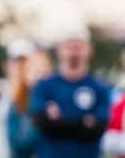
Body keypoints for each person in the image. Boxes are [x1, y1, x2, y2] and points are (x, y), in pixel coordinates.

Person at [30, 28, 109, 158]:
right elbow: (40, 121)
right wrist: (83, 122)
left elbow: (98, 128)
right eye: (69, 46)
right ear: (59, 50)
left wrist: (58, 121)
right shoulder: (43, 85)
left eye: (79, 46)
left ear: (89, 49)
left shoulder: (100, 87)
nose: (74, 51)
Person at [8, 47, 52, 158]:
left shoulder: (55, 101)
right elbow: (18, 142)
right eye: (36, 71)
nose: (40, 76)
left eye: (44, 71)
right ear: (25, 74)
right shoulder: (18, 103)